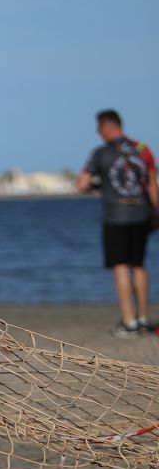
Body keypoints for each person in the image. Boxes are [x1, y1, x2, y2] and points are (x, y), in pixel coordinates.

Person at [77, 109, 159, 338]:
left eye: (98, 129)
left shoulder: (101, 153)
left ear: (105, 127)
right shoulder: (143, 150)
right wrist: (156, 211)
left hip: (116, 217)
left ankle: (130, 322)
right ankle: (142, 318)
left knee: (121, 266)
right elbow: (152, 184)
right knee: (139, 265)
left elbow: (82, 184)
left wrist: (98, 185)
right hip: (142, 214)